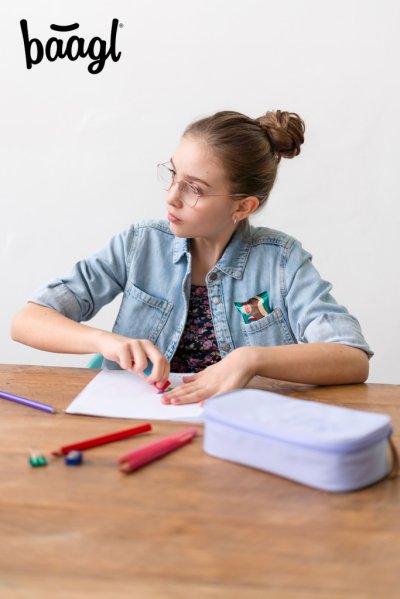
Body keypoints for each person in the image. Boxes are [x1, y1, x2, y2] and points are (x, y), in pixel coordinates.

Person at [11, 109, 372, 405]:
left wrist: (251, 359)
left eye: (194, 189)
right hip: (141, 422)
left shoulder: (282, 261)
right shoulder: (140, 244)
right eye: (173, 174)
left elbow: (352, 357)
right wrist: (104, 340)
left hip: (241, 433)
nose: (172, 196)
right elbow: (26, 321)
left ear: (243, 207)